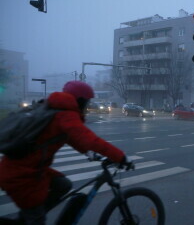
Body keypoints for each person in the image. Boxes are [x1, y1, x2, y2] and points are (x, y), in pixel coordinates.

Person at [0, 81, 127, 225]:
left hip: (28, 168)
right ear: (80, 100)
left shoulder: (54, 109)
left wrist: (89, 152)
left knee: (64, 185)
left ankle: (29, 215)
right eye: (87, 102)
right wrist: (120, 156)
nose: (87, 106)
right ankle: (33, 216)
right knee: (36, 219)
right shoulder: (65, 115)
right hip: (22, 176)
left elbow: (73, 139)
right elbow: (90, 140)